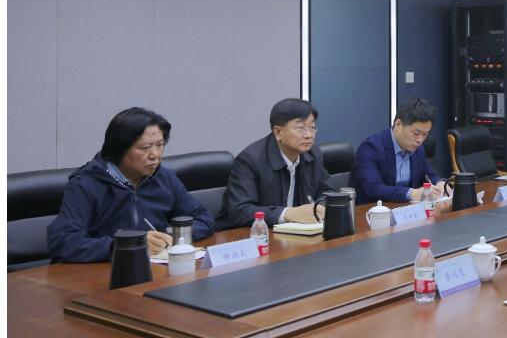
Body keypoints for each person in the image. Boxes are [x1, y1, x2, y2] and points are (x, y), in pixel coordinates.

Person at [48, 107, 214, 263]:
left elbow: (204, 218)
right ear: (120, 148)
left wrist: (170, 235)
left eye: (160, 145)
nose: (155, 155)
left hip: (155, 270)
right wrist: (127, 245)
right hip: (105, 273)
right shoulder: (86, 184)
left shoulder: (164, 178)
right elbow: (62, 242)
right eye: (145, 147)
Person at [217, 98, 336, 230]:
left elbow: (327, 192)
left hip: (297, 234)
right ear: (278, 132)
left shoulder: (313, 155)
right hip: (249, 235)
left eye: (312, 127)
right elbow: (240, 210)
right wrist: (288, 214)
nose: (308, 135)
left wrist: (321, 207)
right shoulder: (250, 160)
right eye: (301, 128)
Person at [351, 97, 447, 205]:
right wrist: (412, 193)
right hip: (372, 211)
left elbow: (428, 174)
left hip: (405, 209)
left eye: (425, 134)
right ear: (398, 125)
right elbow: (373, 189)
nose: (420, 140)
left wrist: (440, 183)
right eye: (416, 133)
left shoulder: (418, 149)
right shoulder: (371, 148)